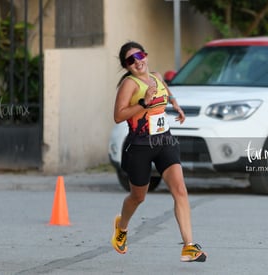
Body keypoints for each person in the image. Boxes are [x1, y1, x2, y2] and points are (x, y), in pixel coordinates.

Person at [111, 41, 207, 262]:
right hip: (140, 146)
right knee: (138, 197)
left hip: (165, 141)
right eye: (131, 60)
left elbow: (166, 91)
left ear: (145, 55)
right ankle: (122, 227)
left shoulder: (156, 76)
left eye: (140, 56)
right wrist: (144, 102)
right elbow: (118, 116)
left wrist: (176, 105)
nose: (138, 62)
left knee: (180, 190)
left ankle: (188, 246)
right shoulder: (129, 84)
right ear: (126, 66)